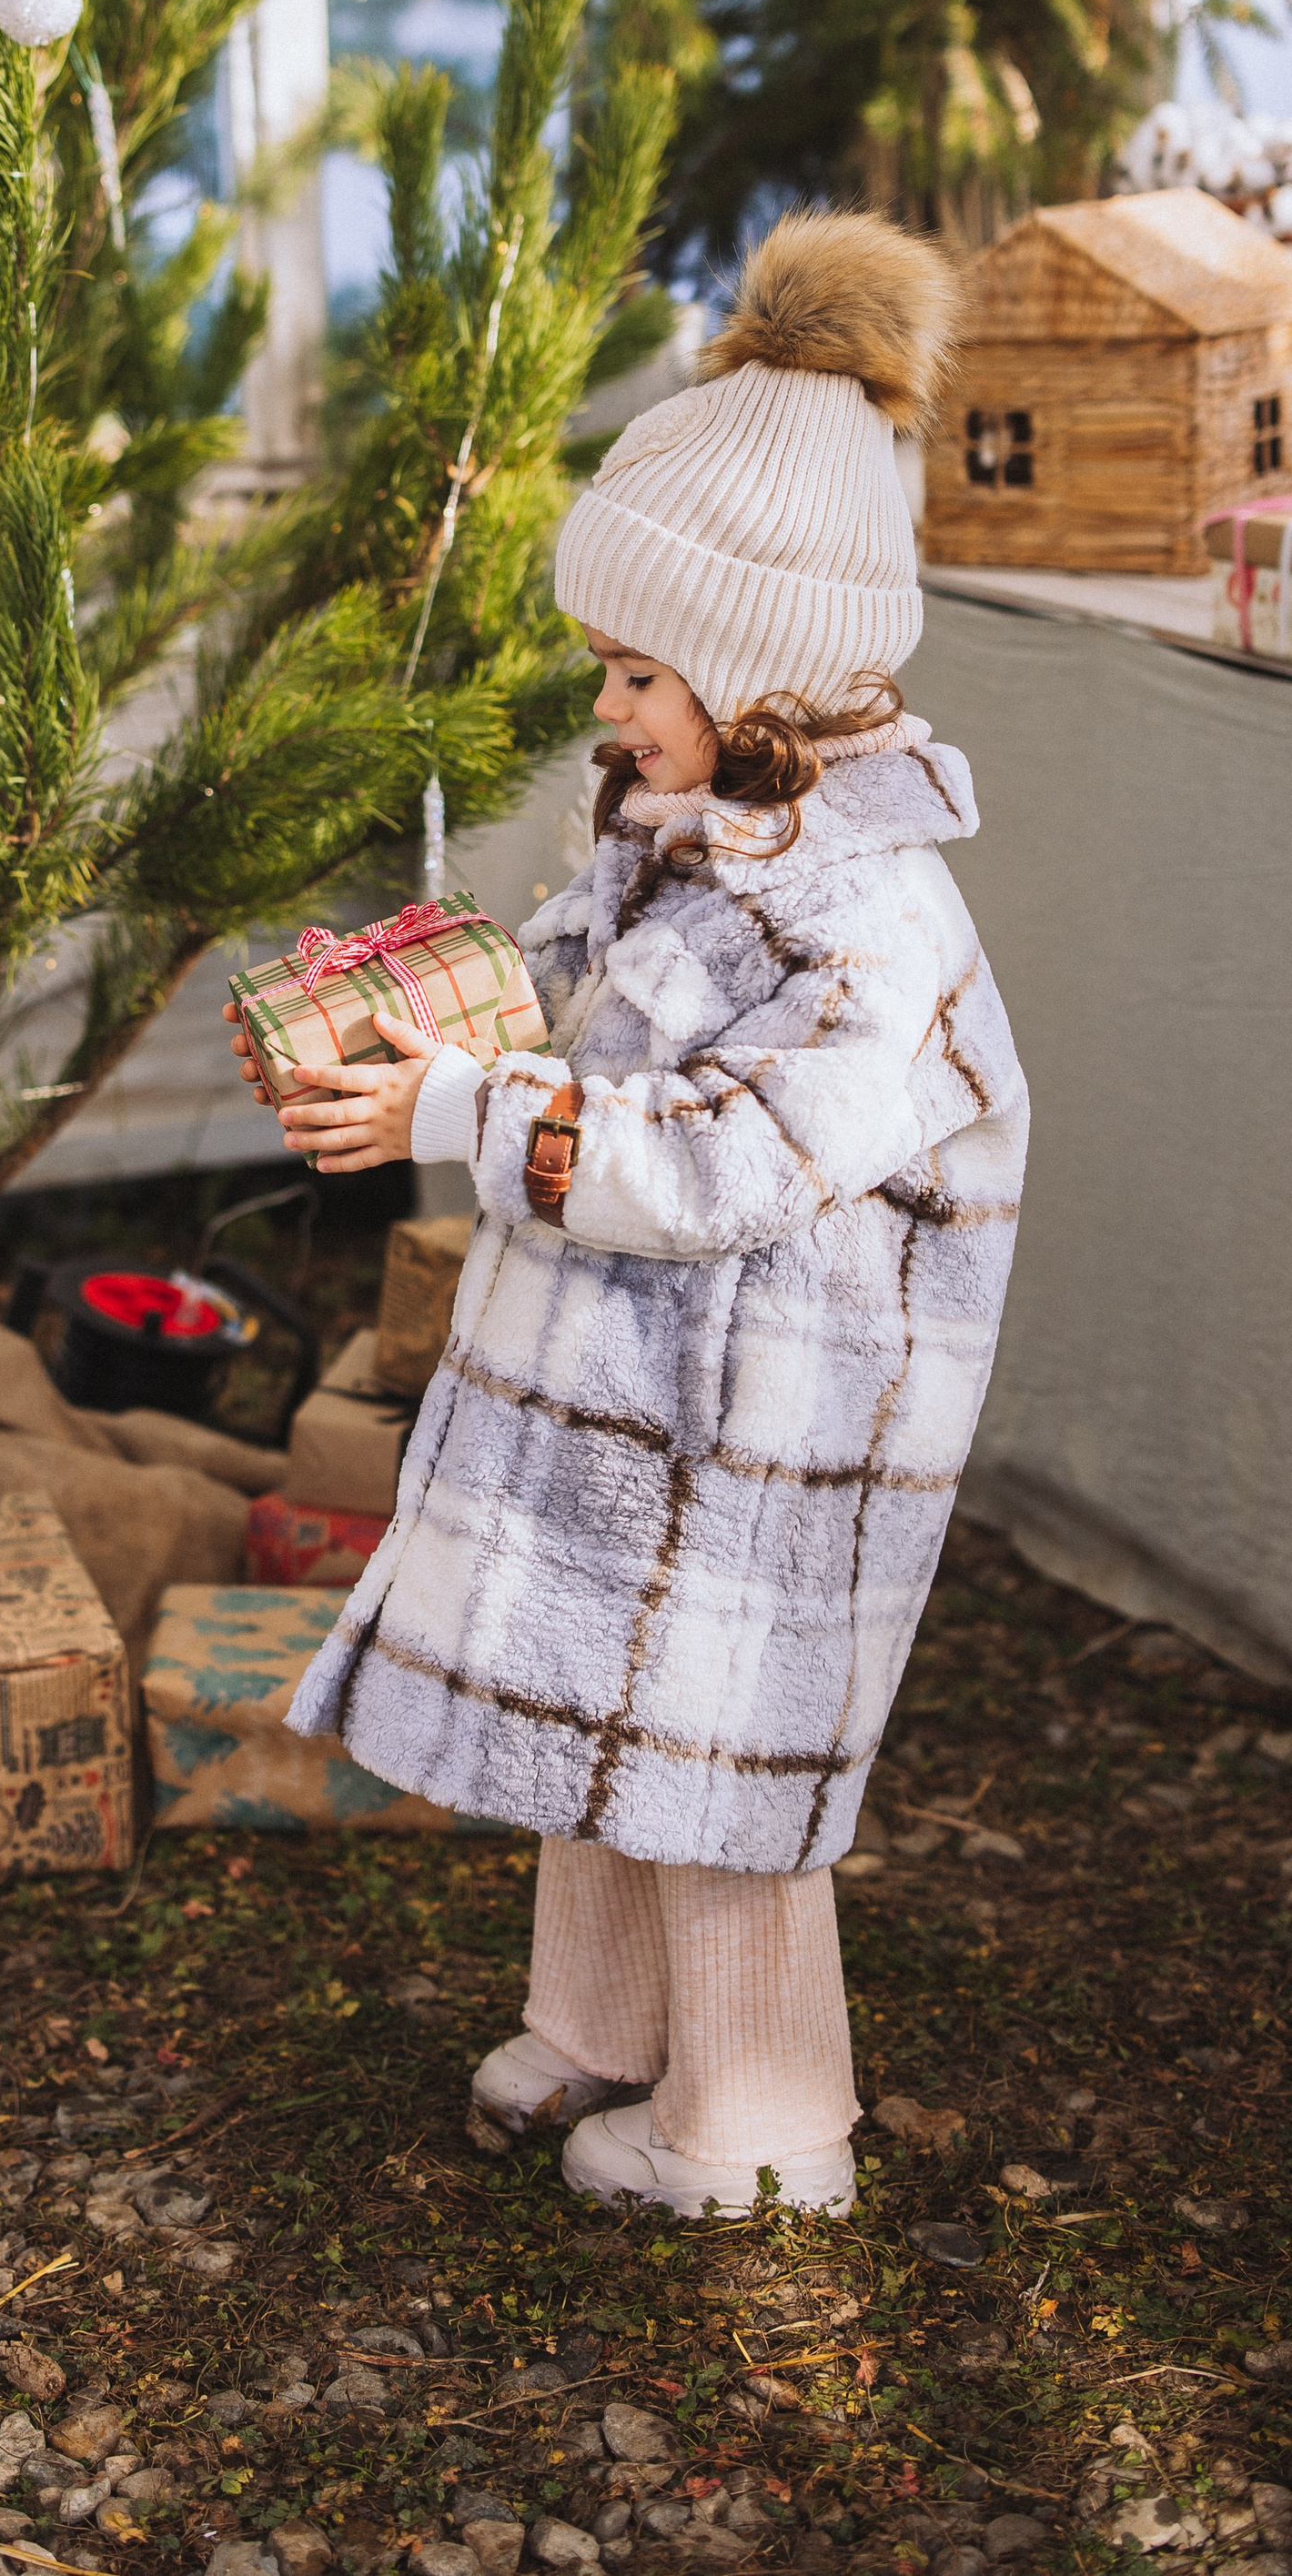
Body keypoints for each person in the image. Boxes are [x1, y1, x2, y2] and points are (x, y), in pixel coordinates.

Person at [230, 213, 1028, 2220]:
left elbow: (718, 1157)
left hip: (764, 1429)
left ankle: (757, 2122)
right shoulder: (698, 830)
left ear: (762, 663)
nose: (610, 702)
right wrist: (434, 1005)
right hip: (637, 1398)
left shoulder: (864, 907)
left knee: (712, 1768)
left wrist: (458, 1104)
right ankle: (600, 2022)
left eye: (639, 666)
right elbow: (577, 1015)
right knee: (597, 1708)